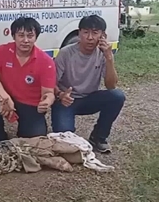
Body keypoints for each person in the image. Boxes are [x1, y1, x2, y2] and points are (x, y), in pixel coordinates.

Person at [51, 15, 125, 153]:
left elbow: (111, 86)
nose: (90, 37)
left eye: (95, 33)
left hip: (89, 99)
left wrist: (109, 58)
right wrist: (60, 94)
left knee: (117, 96)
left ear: (103, 35)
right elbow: (50, 82)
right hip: (66, 101)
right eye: (85, 32)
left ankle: (98, 138)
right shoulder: (65, 53)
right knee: (65, 141)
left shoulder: (104, 54)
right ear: (79, 33)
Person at [0, 17, 56, 142]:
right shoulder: (1, 51)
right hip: (5, 97)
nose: (25, 40)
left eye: (30, 36)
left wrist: (47, 101)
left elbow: (49, 93)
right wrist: (4, 97)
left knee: (33, 139)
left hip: (30, 104)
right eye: (21, 35)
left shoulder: (46, 61)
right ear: (13, 36)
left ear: (36, 37)